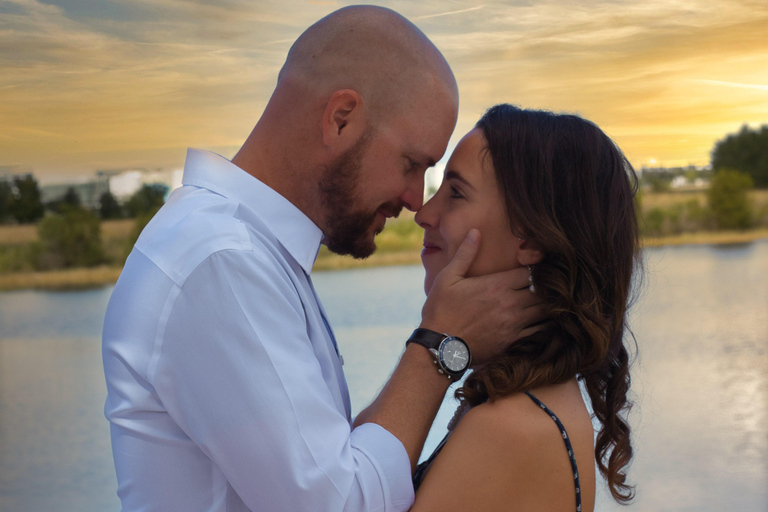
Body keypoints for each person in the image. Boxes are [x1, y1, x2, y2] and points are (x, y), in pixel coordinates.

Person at [102, 7, 541, 512]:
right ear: (341, 119)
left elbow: (332, 468)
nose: (416, 199)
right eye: (411, 163)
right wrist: (441, 345)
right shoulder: (220, 261)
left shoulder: (242, 252)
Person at [409, 104, 640, 512]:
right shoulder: (533, 397)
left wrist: (436, 342)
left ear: (531, 238)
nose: (424, 213)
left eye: (456, 193)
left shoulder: (508, 426)